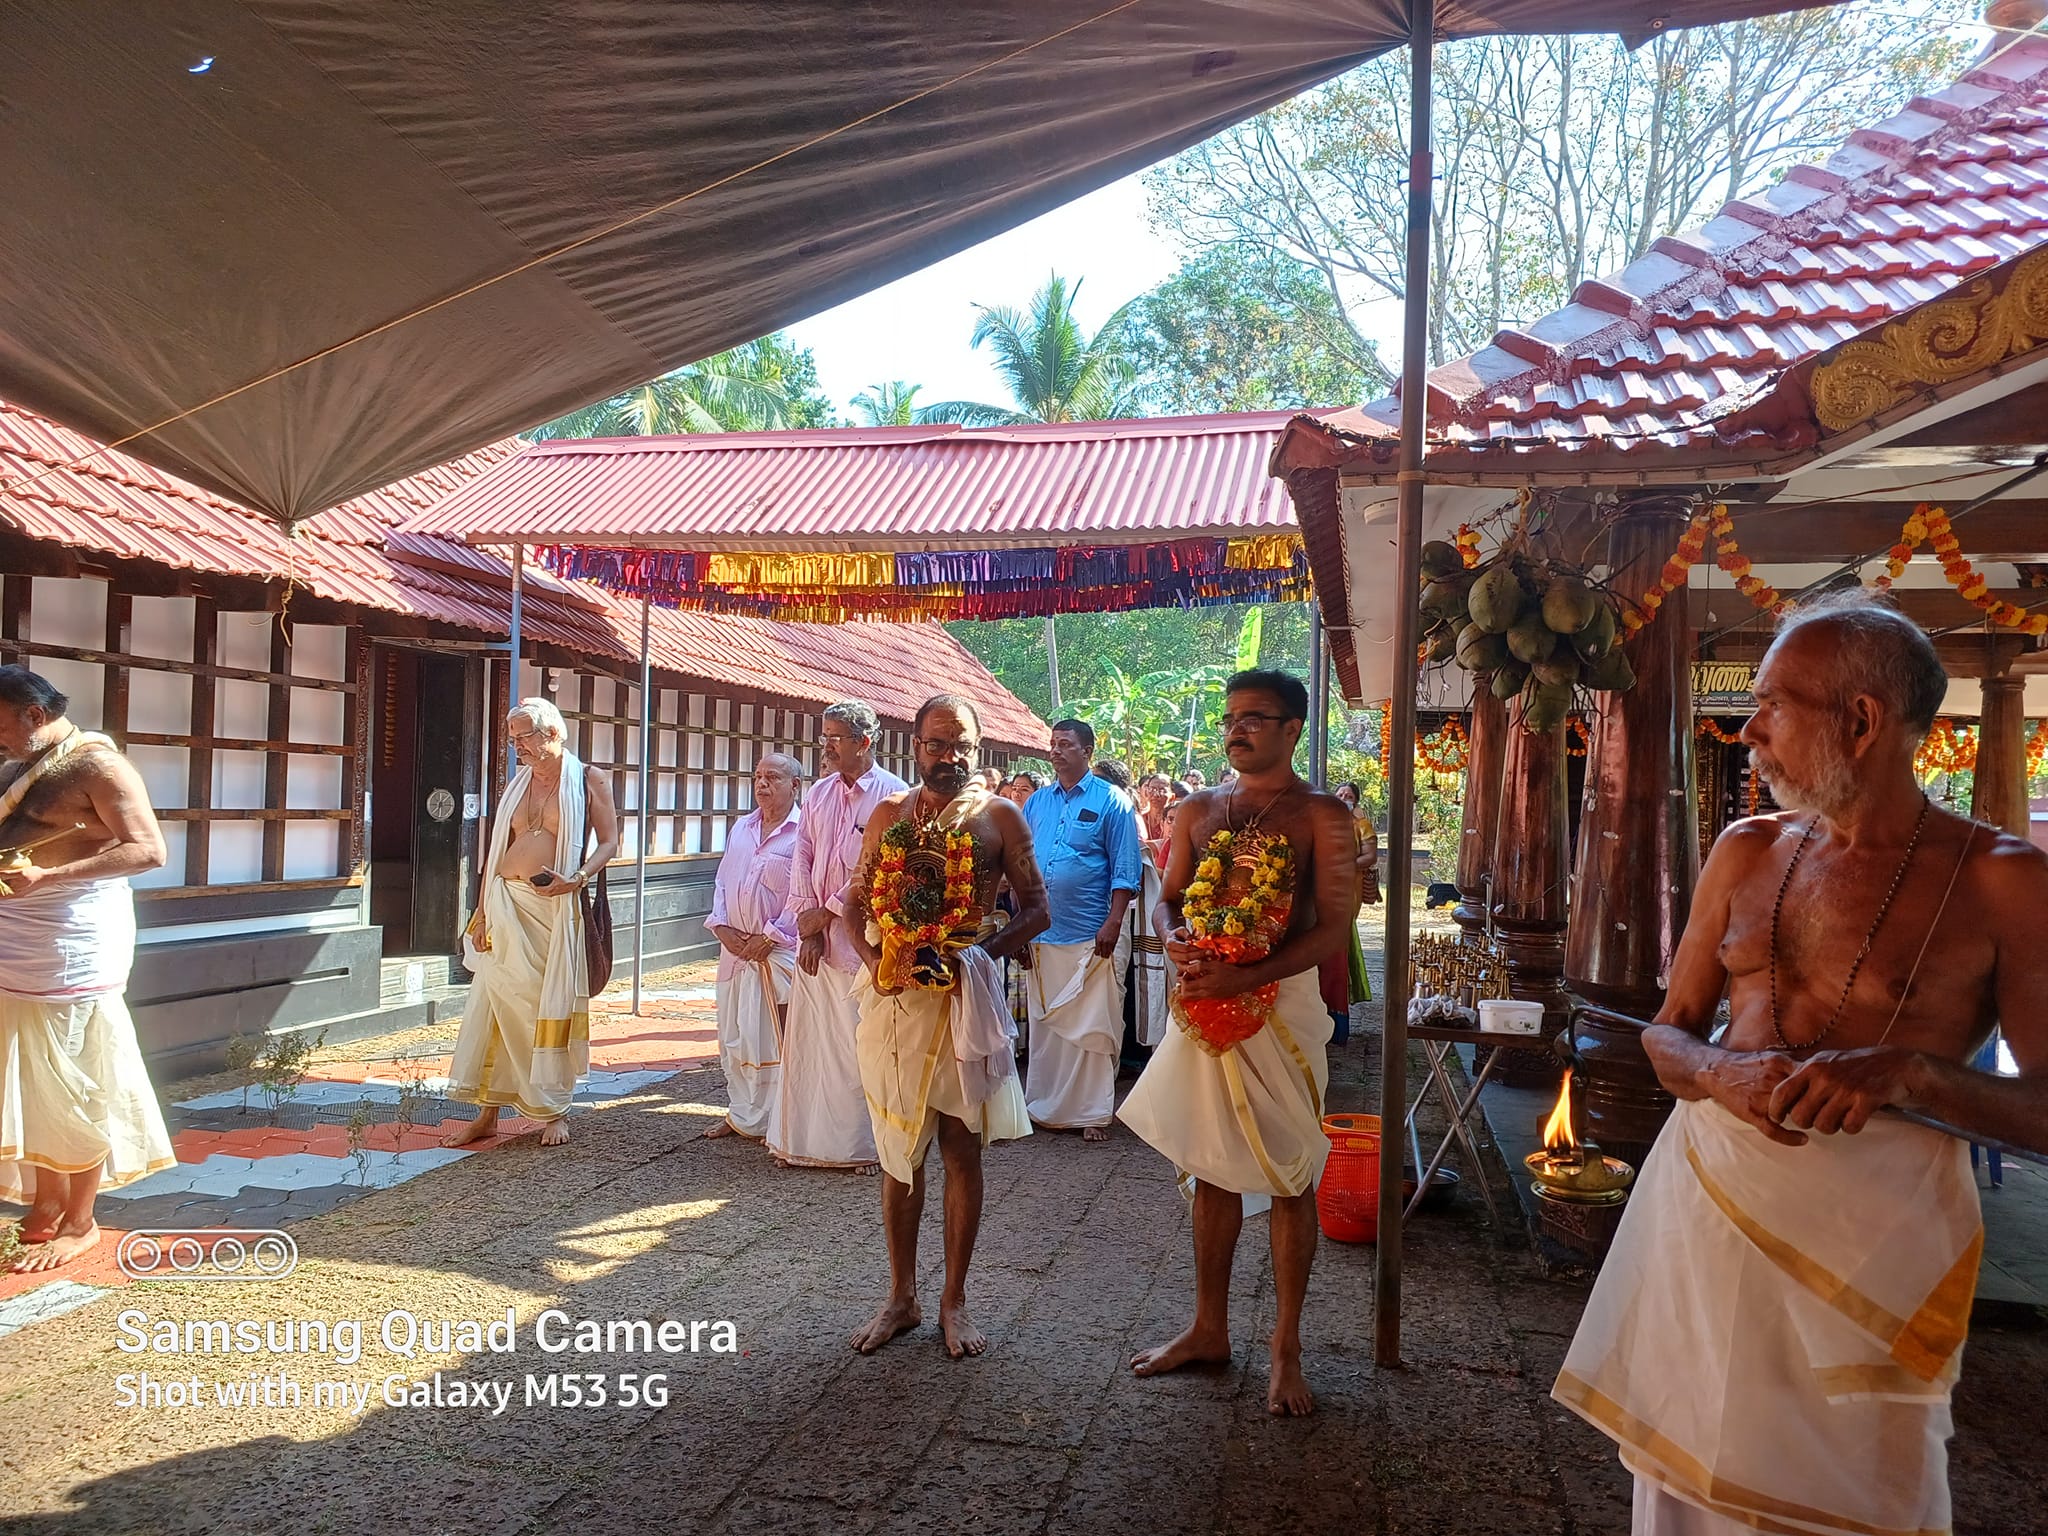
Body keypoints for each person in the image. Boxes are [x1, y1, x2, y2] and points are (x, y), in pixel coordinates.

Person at [1555, 592, 2048, 1536]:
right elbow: (1667, 1034)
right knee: (1686, 1480)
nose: (1748, 731)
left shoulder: (2000, 879)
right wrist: (1717, 1074)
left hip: (1873, 1243)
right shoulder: (1746, 851)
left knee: (1855, 1497)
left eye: (1775, 704)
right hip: (1709, 1204)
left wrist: (1910, 1075)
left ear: (1863, 722)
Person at [1118, 668, 1358, 1416]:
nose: (1237, 728)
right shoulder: (1195, 810)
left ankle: (1285, 1349)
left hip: (1282, 1010)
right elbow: (1164, 902)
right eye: (1231, 716)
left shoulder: (1322, 816)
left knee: (1290, 1172)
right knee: (1211, 1164)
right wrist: (1180, 942)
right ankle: (1209, 1328)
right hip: (1202, 1002)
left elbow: (1335, 927)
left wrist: (1249, 977)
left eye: (1257, 717)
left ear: (1292, 729)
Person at [844, 694, 1044, 1358]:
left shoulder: (998, 817)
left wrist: (979, 955)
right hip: (896, 1002)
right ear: (915, 745)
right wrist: (879, 961)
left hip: (963, 1001)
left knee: (961, 1150)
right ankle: (899, 1298)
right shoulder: (887, 815)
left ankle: (953, 1301)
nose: (947, 756)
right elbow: (852, 902)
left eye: (960, 744)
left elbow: (1037, 909)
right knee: (899, 1157)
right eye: (935, 744)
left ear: (978, 748)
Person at [0, 667, 174, 1271]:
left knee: (76, 1076)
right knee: (30, 1074)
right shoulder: (18, 764)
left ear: (33, 714)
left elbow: (148, 850)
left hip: (70, 939)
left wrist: (49, 877)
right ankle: (46, 1202)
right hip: (17, 937)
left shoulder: (100, 766)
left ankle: (82, 1218)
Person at [447, 699, 620, 1148]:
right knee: (495, 1004)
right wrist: (481, 911)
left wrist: (578, 879)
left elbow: (610, 842)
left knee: (543, 1007)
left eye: (523, 736)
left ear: (552, 734)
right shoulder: (518, 783)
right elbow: (494, 850)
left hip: (553, 909)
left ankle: (553, 1109)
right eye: (513, 738)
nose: (516, 746)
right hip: (505, 901)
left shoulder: (587, 779)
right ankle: (488, 1110)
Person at [770, 701, 907, 1170]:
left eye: (835, 737)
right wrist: (806, 923)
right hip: (815, 939)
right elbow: (802, 856)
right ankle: (808, 1141)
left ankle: (864, 1147)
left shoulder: (895, 798)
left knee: (859, 1043)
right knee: (813, 1044)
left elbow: (876, 872)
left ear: (864, 743)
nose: (824, 745)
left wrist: (827, 914)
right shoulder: (820, 793)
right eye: (824, 734)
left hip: (862, 937)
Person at [1022, 719, 1143, 1141]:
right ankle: (1043, 1107)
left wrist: (1113, 923)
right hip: (1042, 932)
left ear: (1087, 751)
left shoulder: (1112, 801)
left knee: (1094, 1024)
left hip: (1092, 933)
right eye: (1053, 744)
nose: (1056, 751)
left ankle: (1092, 1112)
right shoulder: (1036, 802)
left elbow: (1125, 871)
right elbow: (1021, 867)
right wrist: (1021, 926)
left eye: (1066, 744)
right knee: (1047, 1025)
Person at [702, 753, 802, 1141]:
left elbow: (803, 894)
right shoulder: (742, 828)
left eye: (773, 777)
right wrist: (722, 927)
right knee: (734, 1038)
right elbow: (722, 882)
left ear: (795, 786)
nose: (762, 784)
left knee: (775, 1041)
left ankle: (775, 1119)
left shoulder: (803, 831)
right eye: (758, 776)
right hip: (735, 953)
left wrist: (771, 937)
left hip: (777, 954)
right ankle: (740, 1114)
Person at [1135, 773, 1171, 846]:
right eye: (1152, 789)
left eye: (1162, 790)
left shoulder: (1173, 821)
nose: (1156, 794)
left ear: (1172, 796)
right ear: (1146, 793)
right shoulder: (1140, 819)